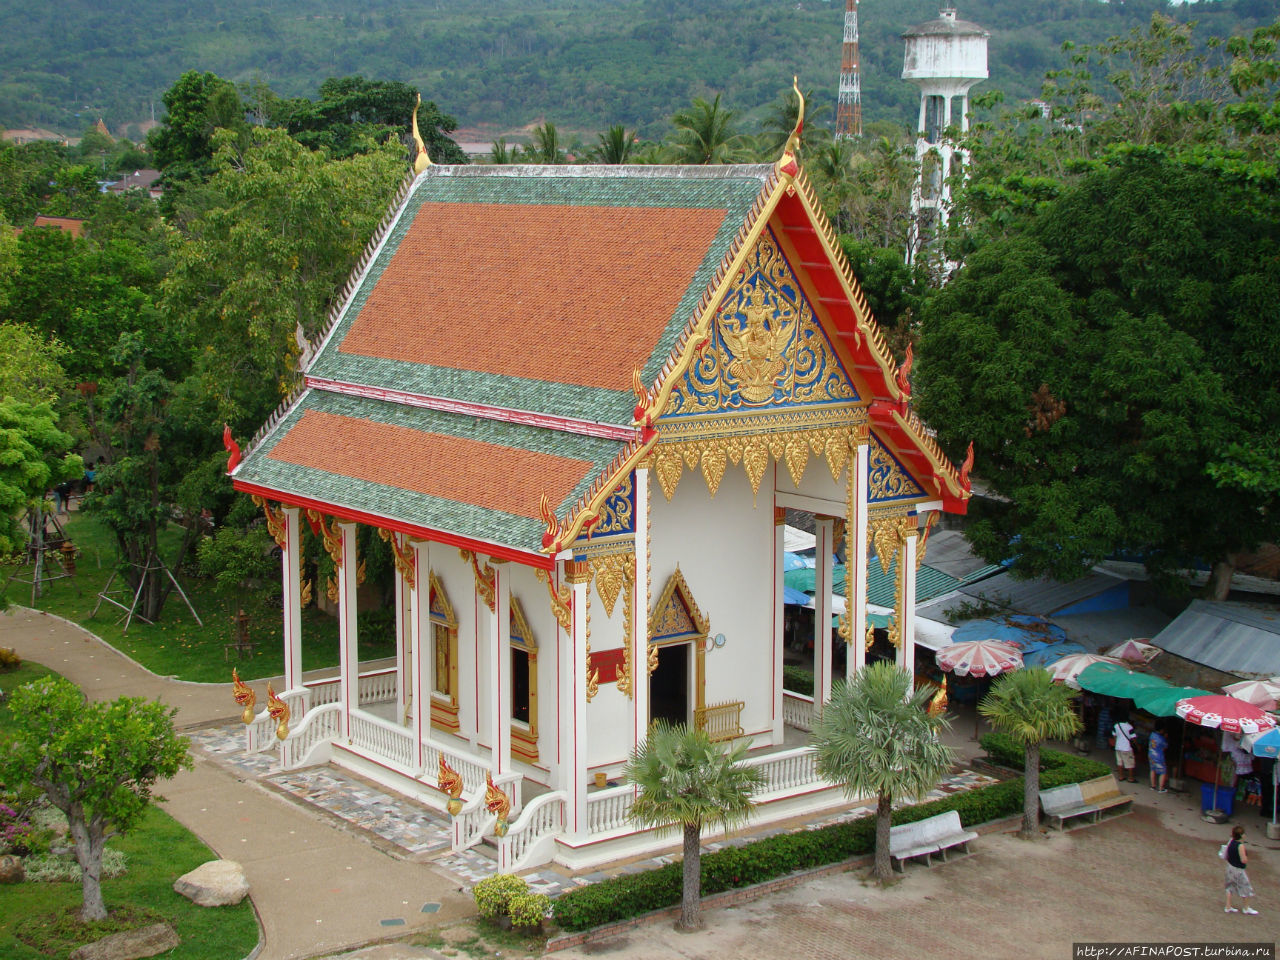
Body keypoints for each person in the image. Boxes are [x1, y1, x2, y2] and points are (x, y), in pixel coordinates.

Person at [1224, 824, 1259, 914]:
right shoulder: (1240, 846)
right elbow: (1243, 860)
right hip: (1238, 870)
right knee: (1245, 887)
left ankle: (1228, 906)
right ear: (1241, 835)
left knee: (1230, 886)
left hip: (1230, 867)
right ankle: (1246, 908)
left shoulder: (1231, 842)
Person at [1113, 716, 1138, 783]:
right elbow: (1133, 738)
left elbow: (1114, 736)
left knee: (1119, 762)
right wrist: (1137, 745)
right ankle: (1130, 778)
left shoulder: (1116, 725)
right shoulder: (1129, 727)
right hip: (1126, 747)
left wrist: (1116, 744)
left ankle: (1120, 776)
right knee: (1130, 763)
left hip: (1118, 747)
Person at [1148, 723, 1169, 793]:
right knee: (1163, 771)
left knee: (1152, 769)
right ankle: (1161, 788)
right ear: (1161, 730)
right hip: (1158, 756)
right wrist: (1165, 738)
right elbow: (1165, 746)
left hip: (1151, 754)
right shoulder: (1161, 738)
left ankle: (1153, 786)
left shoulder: (1152, 734)